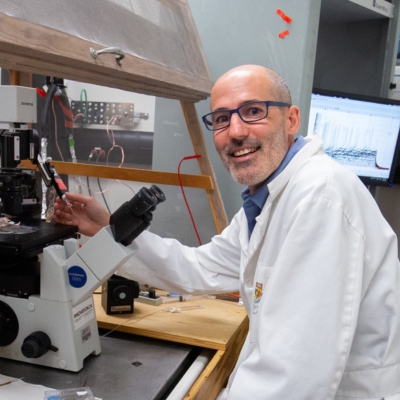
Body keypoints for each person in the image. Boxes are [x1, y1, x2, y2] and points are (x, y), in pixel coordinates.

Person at [53, 65, 400, 400]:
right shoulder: (268, 198)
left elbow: (293, 372)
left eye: (253, 111)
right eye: (221, 119)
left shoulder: (319, 195)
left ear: (291, 119)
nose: (235, 131)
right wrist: (108, 230)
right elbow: (200, 267)